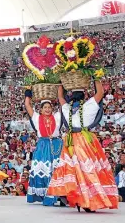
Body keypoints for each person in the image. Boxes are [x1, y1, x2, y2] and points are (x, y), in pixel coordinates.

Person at [47, 82, 119, 212]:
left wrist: (60, 84)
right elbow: (100, 93)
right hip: (85, 141)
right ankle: (90, 199)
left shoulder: (67, 108)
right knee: (88, 170)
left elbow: (61, 98)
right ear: (84, 96)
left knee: (74, 171)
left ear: (72, 97)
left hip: (70, 143)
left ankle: (80, 198)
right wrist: (95, 77)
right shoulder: (88, 106)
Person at [24, 91, 63, 206]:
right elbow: (27, 105)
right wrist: (28, 93)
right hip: (42, 146)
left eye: (49, 107)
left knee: (56, 171)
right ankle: (45, 195)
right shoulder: (36, 117)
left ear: (52, 109)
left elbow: (63, 106)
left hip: (56, 145)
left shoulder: (57, 117)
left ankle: (58, 196)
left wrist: (61, 91)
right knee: (42, 171)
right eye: (44, 107)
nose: (47, 109)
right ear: (40, 110)